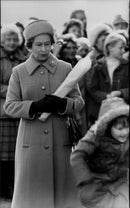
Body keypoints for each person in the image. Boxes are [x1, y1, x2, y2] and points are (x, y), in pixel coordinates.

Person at [4, 20, 84, 208]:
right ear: (29, 46)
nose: (43, 49)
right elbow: (9, 106)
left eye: (47, 44)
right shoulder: (19, 72)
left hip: (60, 141)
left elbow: (79, 102)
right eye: (38, 45)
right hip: (30, 143)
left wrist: (63, 104)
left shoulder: (65, 68)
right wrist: (34, 106)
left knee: (63, 197)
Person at [70, 97, 129, 208]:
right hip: (97, 186)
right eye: (120, 128)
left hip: (120, 185)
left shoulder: (126, 139)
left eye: (127, 128)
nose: (125, 132)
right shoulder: (95, 136)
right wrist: (86, 182)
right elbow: (77, 156)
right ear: (108, 126)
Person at [0, 24, 27, 199]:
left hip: (18, 111)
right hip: (2, 113)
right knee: (2, 157)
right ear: (2, 41)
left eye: (14, 39)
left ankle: (13, 188)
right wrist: (12, 91)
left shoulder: (23, 58)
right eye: (8, 39)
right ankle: (3, 188)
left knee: (16, 155)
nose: (11, 42)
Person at [85, 31, 129, 128]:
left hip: (123, 111)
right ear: (110, 47)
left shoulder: (127, 66)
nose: (123, 51)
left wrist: (120, 93)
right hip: (101, 113)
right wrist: (106, 96)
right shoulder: (98, 67)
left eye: (124, 48)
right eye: (120, 48)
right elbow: (92, 89)